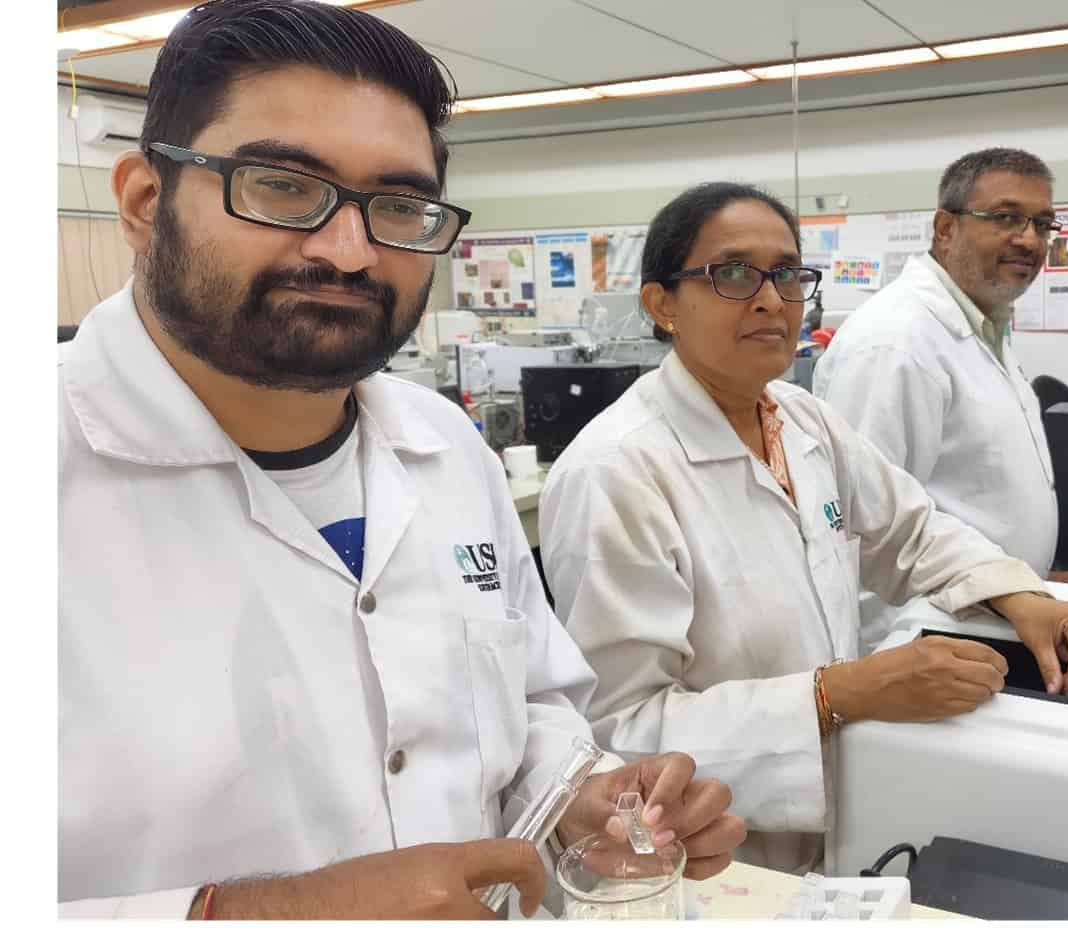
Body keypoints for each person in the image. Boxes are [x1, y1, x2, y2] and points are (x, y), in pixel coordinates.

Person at [58, 0, 742, 919]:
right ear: (146, 202)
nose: (350, 252)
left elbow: (529, 705)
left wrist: (577, 798)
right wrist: (268, 916)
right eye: (281, 186)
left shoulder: (446, 447)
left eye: (398, 207)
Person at [538, 181, 1068, 874]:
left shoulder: (799, 418)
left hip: (839, 815)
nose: (771, 299)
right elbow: (619, 729)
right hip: (709, 860)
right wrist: (838, 694)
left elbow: (911, 531)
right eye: (734, 273)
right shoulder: (615, 472)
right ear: (662, 305)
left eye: (787, 274)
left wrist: (1020, 595)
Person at [812, 148, 1068, 591]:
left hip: (996, 602)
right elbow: (864, 535)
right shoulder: (895, 344)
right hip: (932, 624)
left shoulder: (984, 323)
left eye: (1042, 224)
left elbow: (973, 495)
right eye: (1006, 218)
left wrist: (1034, 579)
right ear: (946, 229)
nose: (1030, 240)